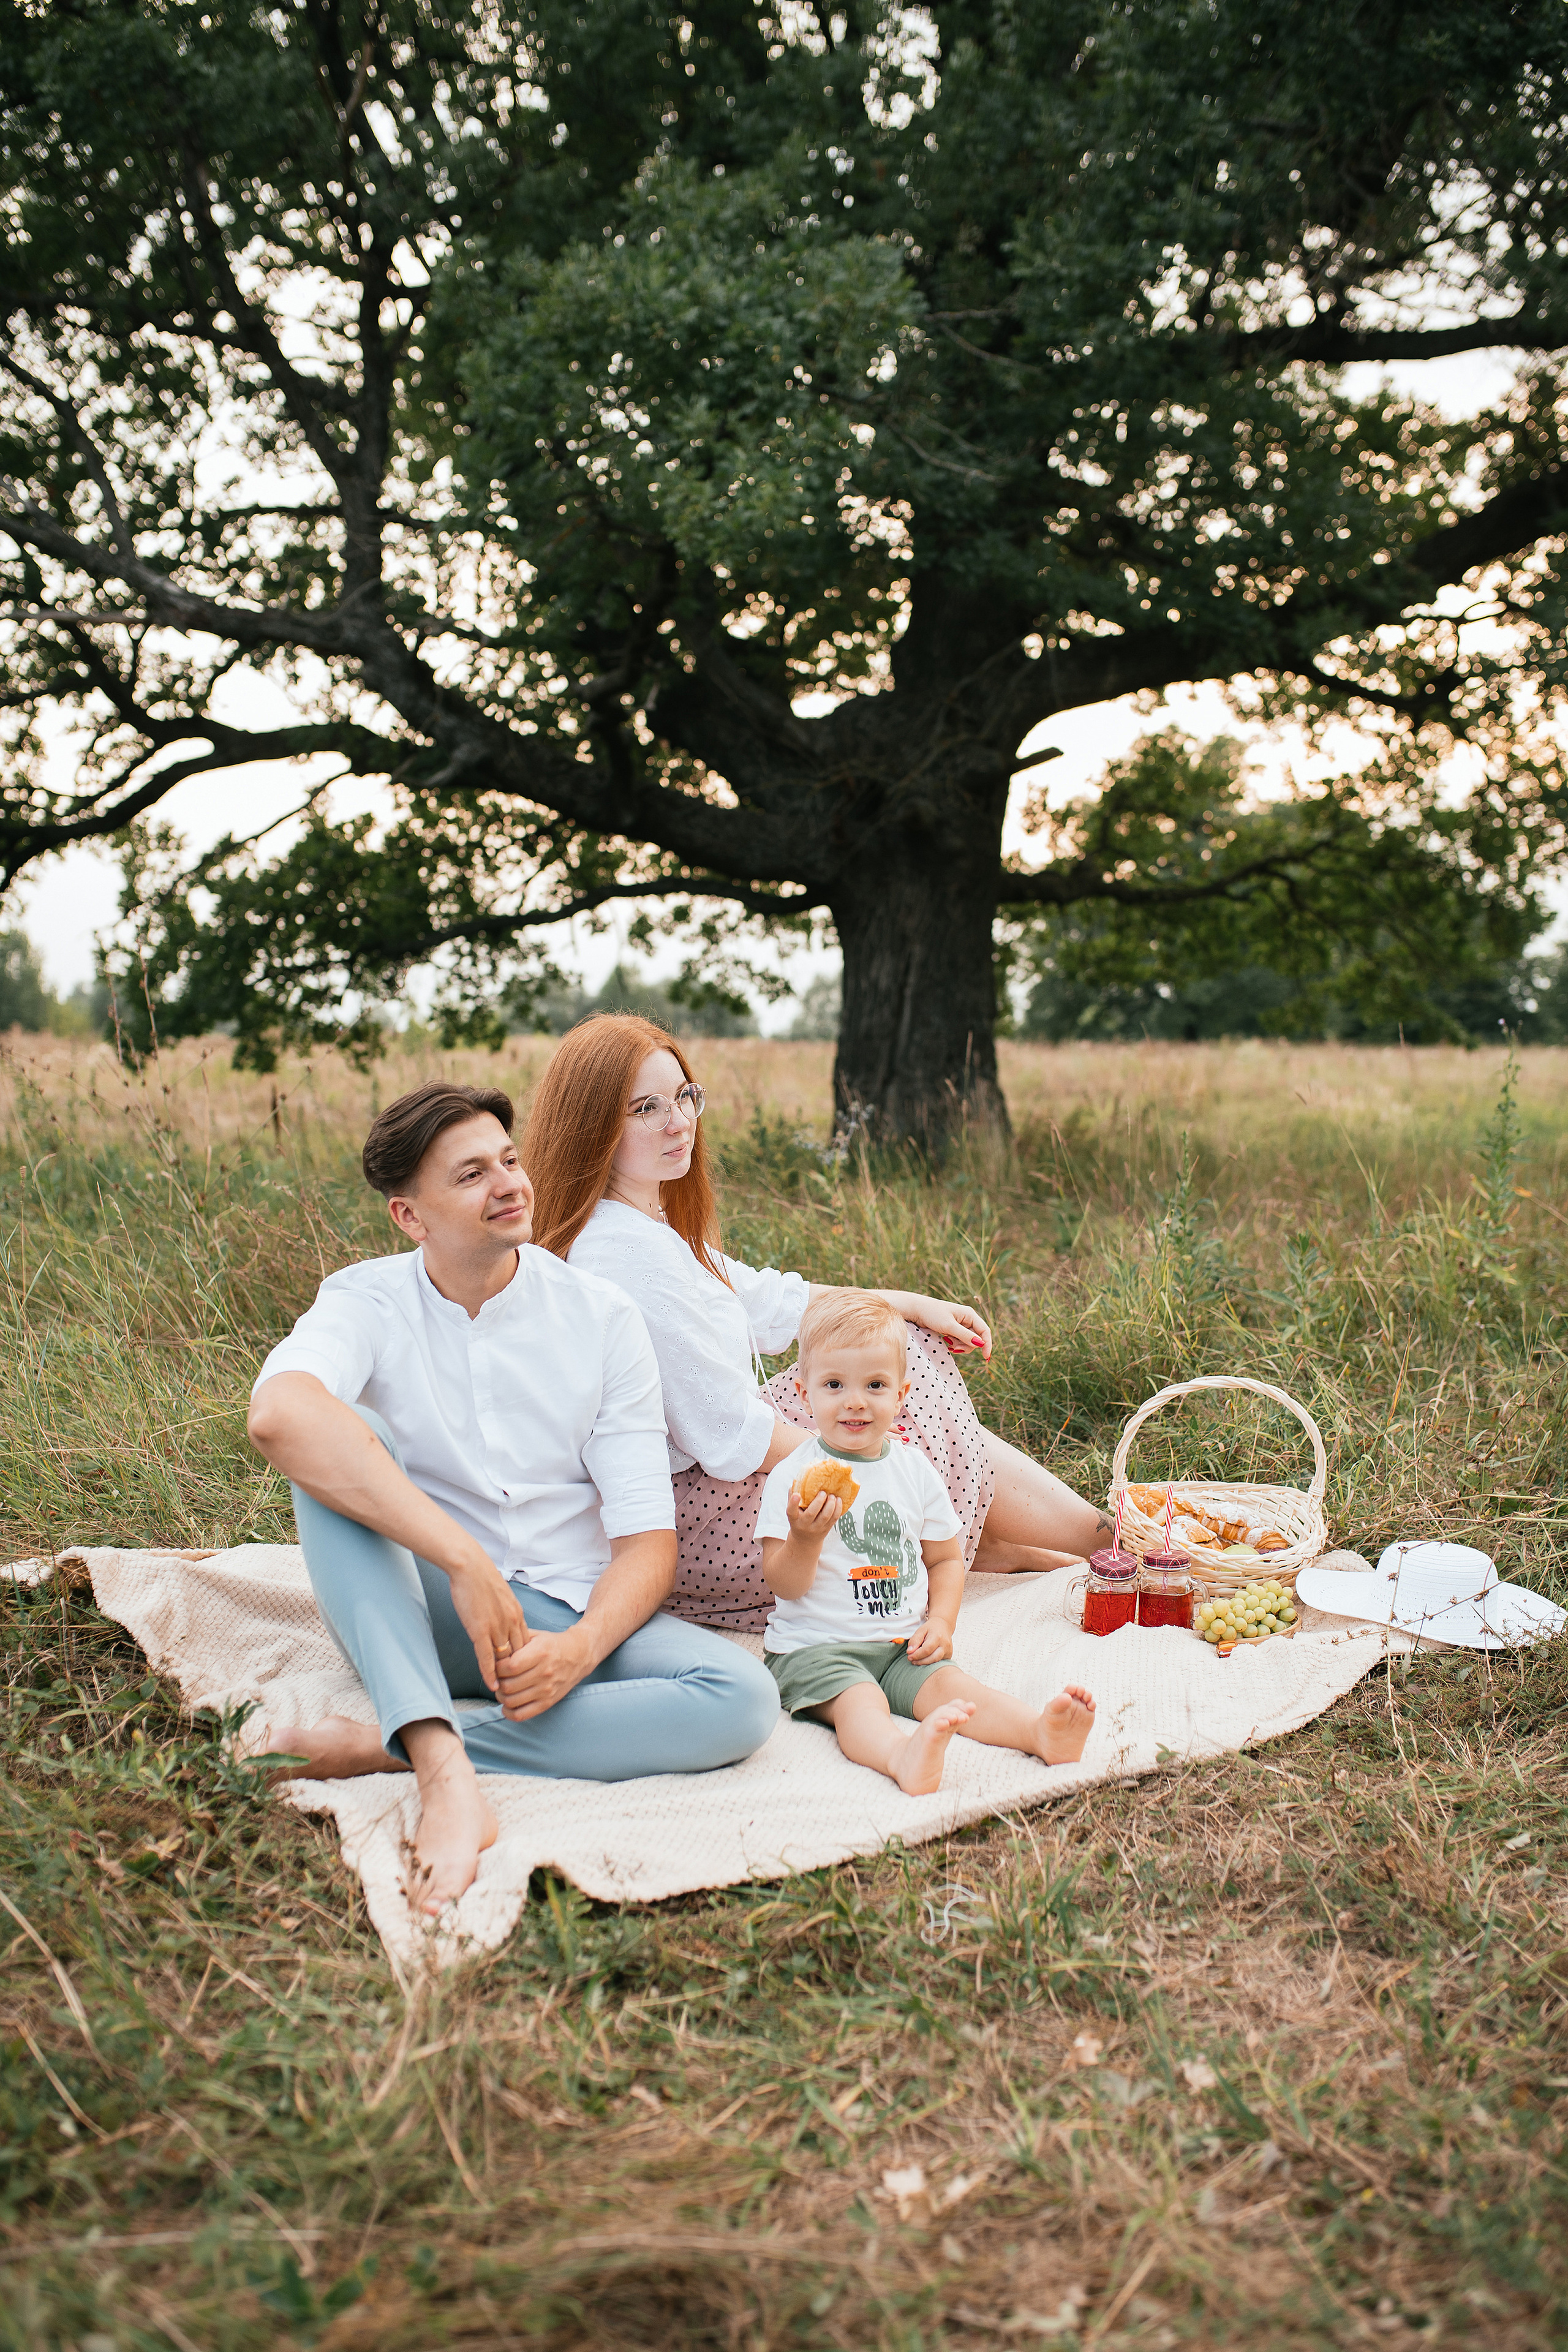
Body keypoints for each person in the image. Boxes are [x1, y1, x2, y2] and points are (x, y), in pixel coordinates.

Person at [246, 1080, 780, 1917]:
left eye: (509, 1159)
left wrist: (582, 1647)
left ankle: (389, 1746)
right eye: (470, 1176)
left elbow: (647, 1542)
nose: (509, 1185)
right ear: (410, 1218)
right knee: (335, 1442)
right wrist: (461, 1558)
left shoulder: (601, 1317)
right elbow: (278, 1415)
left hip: (561, 1613)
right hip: (422, 1613)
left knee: (741, 1700)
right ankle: (443, 1771)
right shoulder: (366, 1300)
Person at [523, 1015, 1112, 1633]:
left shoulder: (645, 1224)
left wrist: (905, 1301)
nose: (678, 1122)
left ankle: (1028, 1537)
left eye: (683, 1096)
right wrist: (867, 1460)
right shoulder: (621, 1253)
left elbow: (770, 1302)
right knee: (890, 1379)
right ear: (592, 1127)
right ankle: (1099, 1539)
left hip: (714, 1487)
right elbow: (728, 1435)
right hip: (701, 1522)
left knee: (887, 1344)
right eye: (645, 1108)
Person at [756, 1289, 1096, 1793]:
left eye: (875, 1384)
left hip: (900, 1645)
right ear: (805, 1396)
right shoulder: (792, 1478)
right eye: (834, 1384)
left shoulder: (914, 1471)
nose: (855, 1401)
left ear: (901, 1395)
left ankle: (1039, 1733)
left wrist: (940, 1621)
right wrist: (806, 1539)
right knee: (859, 1703)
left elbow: (945, 1560)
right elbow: (783, 1584)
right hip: (817, 1650)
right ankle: (900, 1756)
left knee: (955, 1686)